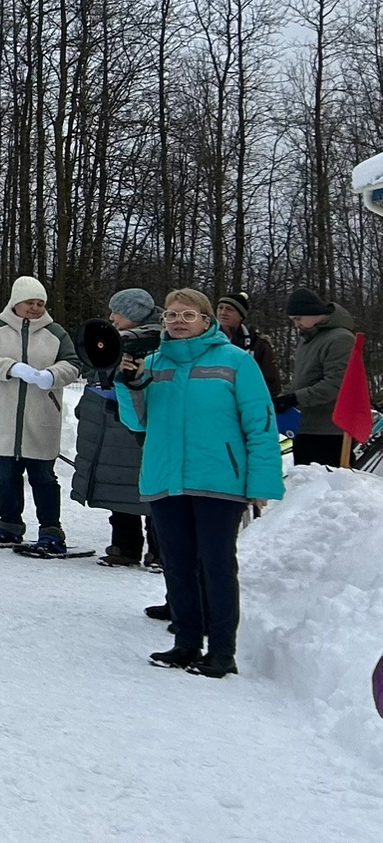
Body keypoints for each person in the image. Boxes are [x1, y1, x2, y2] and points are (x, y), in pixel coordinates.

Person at [119, 288, 284, 679]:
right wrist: (129, 384)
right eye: (171, 315)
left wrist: (262, 482)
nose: (178, 321)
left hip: (220, 481)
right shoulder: (154, 362)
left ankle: (222, 651)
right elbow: (137, 422)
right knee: (176, 564)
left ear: (207, 321)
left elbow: (260, 424)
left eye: (187, 315)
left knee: (216, 564)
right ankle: (186, 643)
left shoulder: (236, 361)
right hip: (166, 478)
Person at [0, 276, 84, 552]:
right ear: (16, 302)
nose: (35, 308)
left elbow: (74, 364)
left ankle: (51, 531)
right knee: (5, 477)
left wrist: (52, 375)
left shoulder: (55, 333)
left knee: (43, 477)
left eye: (40, 303)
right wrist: (11, 368)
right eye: (30, 302)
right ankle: (9, 526)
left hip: (41, 416)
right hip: (3, 418)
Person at [73, 291, 158, 567]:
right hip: (111, 426)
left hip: (139, 428)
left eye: (117, 313)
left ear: (133, 314)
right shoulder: (115, 338)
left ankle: (159, 550)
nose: (111, 318)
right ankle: (124, 546)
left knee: (151, 493)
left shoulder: (155, 341)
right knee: (118, 487)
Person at [280, 288, 358, 468]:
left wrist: (295, 398)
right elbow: (302, 378)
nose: (296, 325)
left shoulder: (340, 339)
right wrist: (284, 398)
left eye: (298, 319)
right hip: (304, 426)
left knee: (328, 490)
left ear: (313, 313)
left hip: (329, 430)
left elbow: (336, 384)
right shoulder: (307, 340)